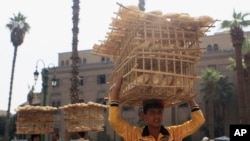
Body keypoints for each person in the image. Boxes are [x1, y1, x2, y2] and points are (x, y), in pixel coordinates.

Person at [108, 77, 205, 141]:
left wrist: (188, 97)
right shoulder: (135, 135)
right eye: (152, 112)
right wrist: (116, 90)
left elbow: (199, 121)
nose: (156, 116)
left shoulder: (174, 134)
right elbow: (114, 121)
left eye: (159, 112)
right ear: (144, 117)